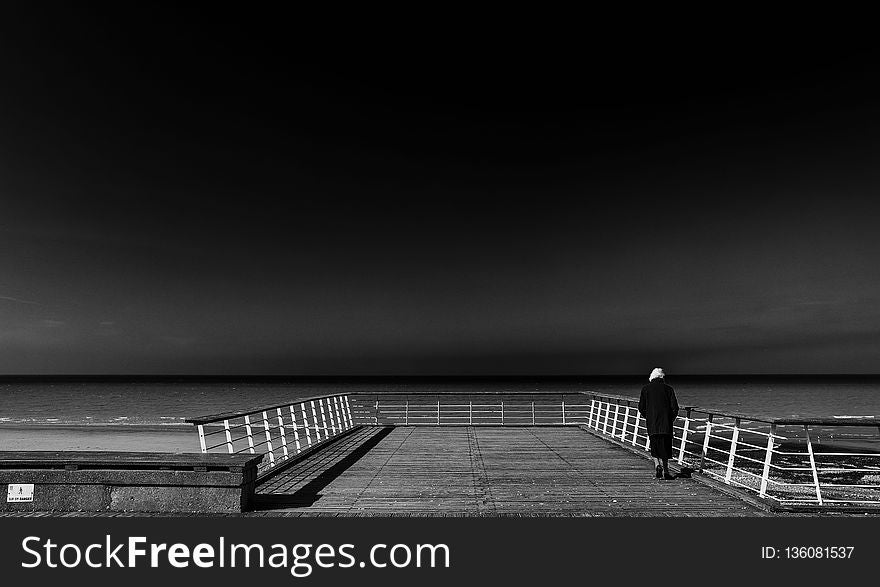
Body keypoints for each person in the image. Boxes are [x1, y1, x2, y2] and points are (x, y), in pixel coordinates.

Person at [638, 367, 679, 480]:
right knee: (665, 447)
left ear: (651, 377)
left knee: (655, 445)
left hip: (652, 424)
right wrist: (670, 419)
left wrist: (649, 417)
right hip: (666, 424)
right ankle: (666, 471)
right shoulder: (669, 389)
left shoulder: (645, 389)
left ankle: (657, 465)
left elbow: (641, 407)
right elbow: (675, 408)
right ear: (662, 377)